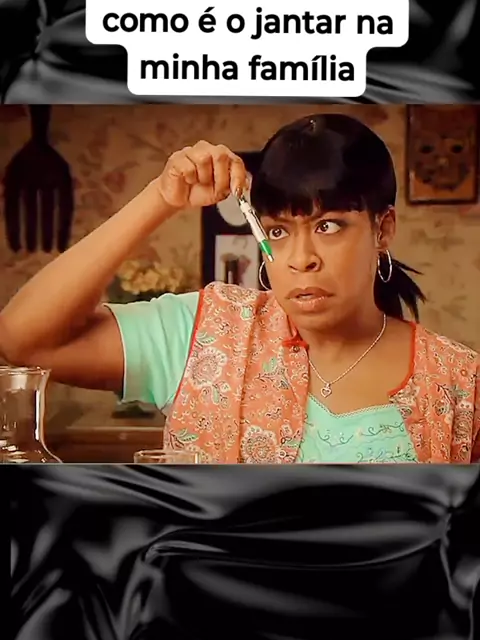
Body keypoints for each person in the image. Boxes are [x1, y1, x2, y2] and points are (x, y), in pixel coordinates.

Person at [0, 114, 478, 464]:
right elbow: (24, 339)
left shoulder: (462, 382)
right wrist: (159, 199)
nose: (301, 258)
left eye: (329, 226)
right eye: (278, 231)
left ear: (383, 229)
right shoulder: (208, 332)